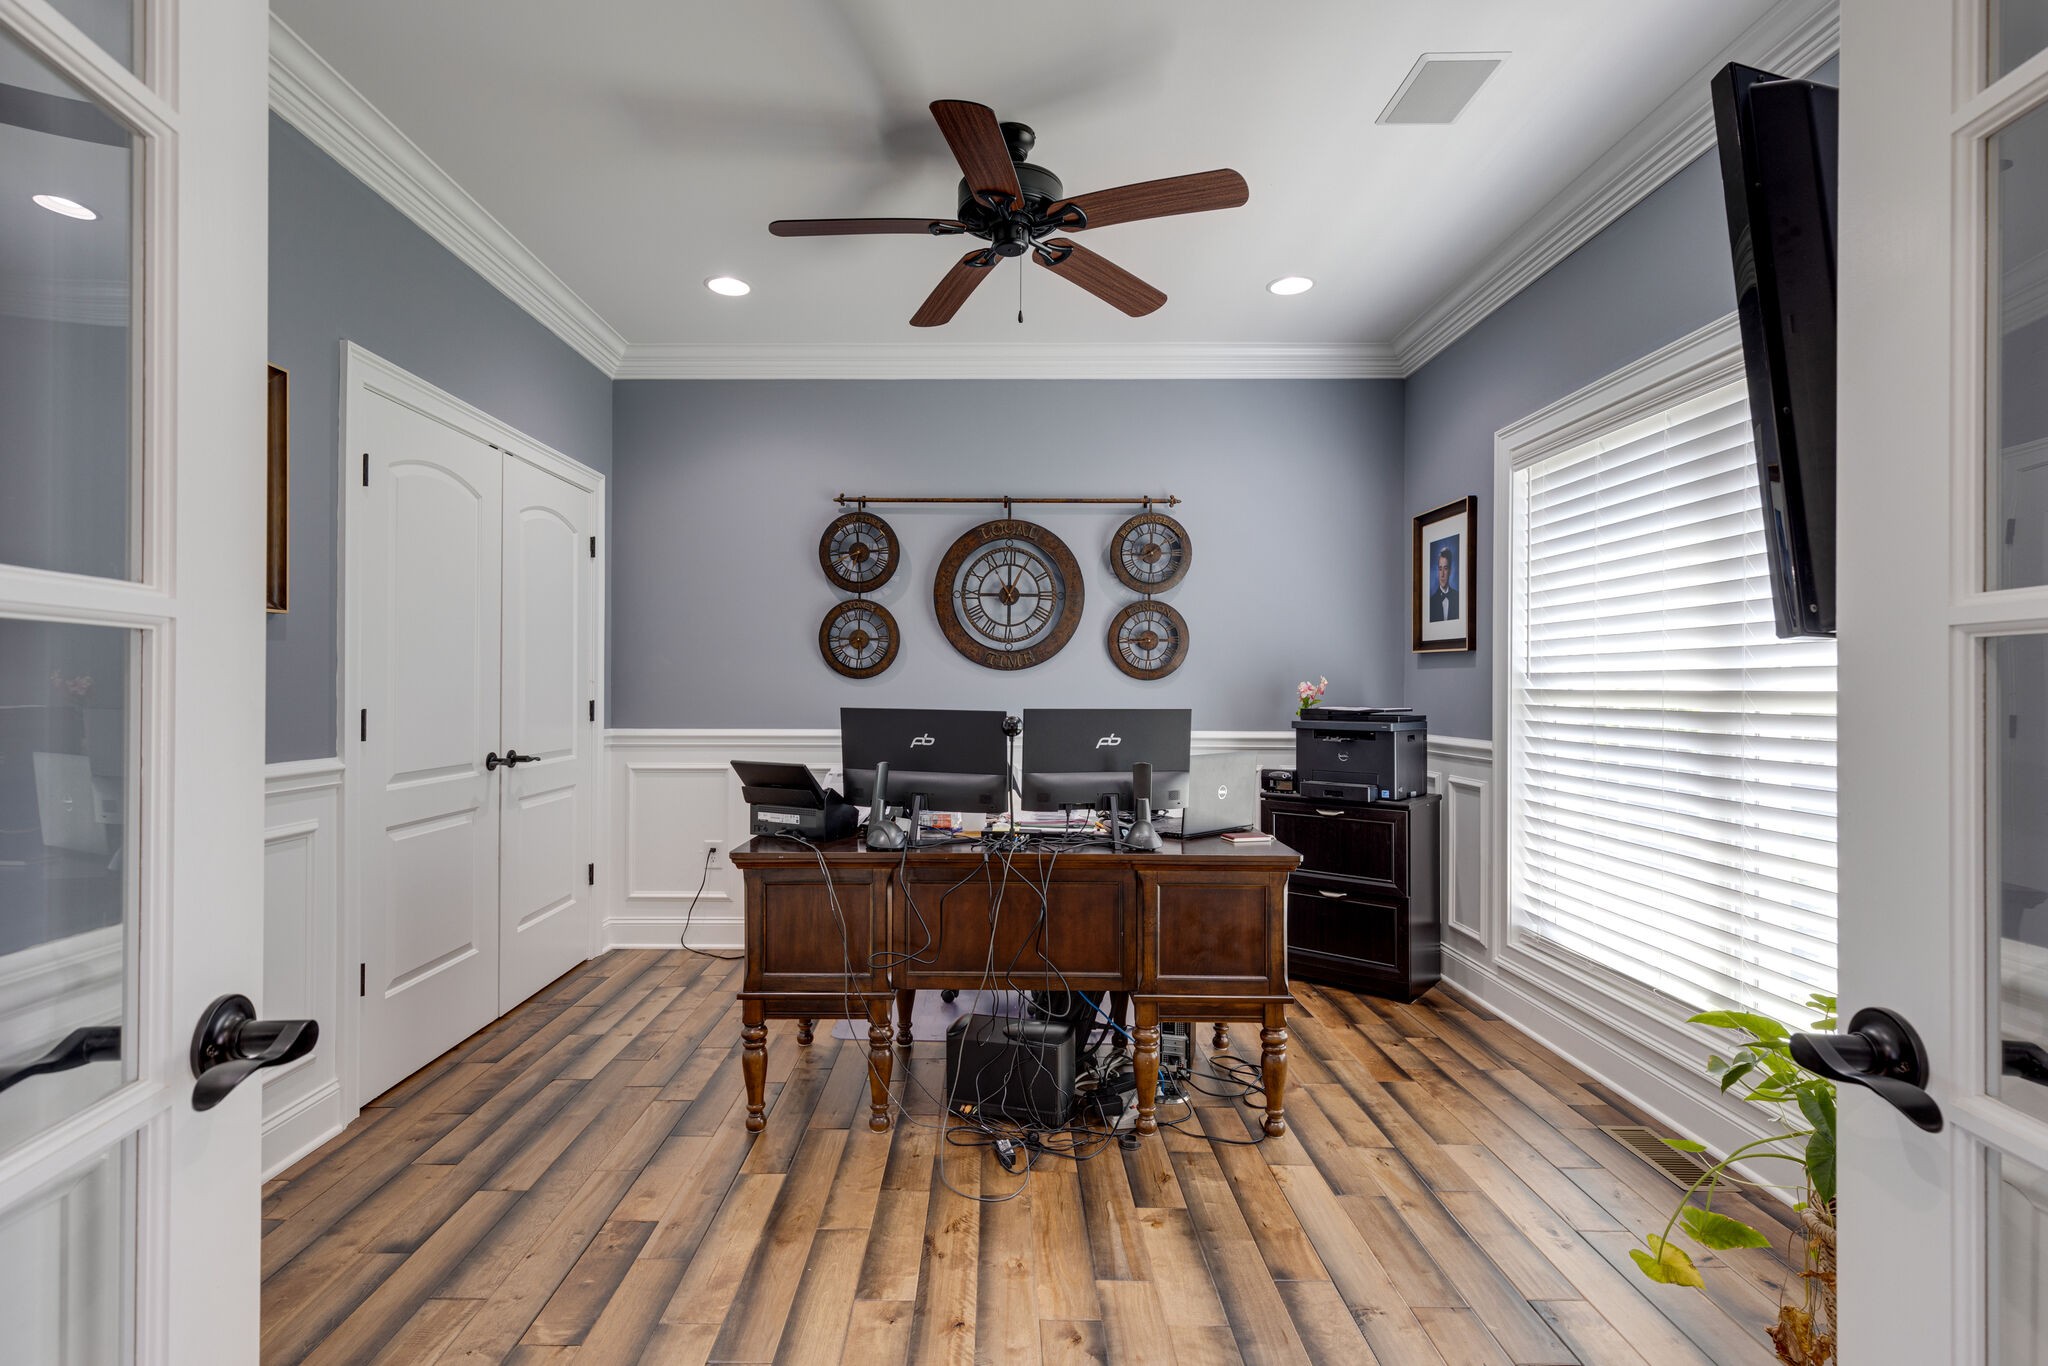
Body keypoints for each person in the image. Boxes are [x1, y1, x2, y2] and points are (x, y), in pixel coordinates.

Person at [1429, 545, 1459, 622]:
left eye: (1445, 569)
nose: (1442, 574)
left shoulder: (1458, 598)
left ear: (1450, 571)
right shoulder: (1431, 602)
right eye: (1440, 569)